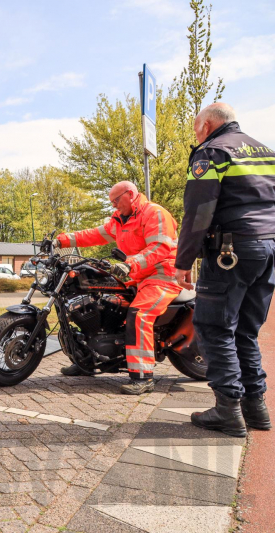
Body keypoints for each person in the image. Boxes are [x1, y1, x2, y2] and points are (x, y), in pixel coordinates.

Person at [174, 103, 274, 437]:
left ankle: (227, 411)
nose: (196, 135)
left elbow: (198, 212)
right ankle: (256, 409)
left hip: (230, 252)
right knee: (245, 330)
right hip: (268, 249)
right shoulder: (265, 151)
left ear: (207, 124)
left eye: (195, 129)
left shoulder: (211, 152)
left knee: (214, 328)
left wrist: (183, 262)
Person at [55, 182, 181, 395]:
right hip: (136, 277)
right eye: (111, 202)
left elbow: (160, 248)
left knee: (139, 314)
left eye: (116, 200)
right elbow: (92, 235)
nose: (113, 205)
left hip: (161, 275)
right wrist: (61, 240)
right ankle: (88, 360)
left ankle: (143, 377)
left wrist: (129, 264)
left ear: (130, 195)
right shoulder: (119, 221)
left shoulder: (154, 213)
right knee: (102, 304)